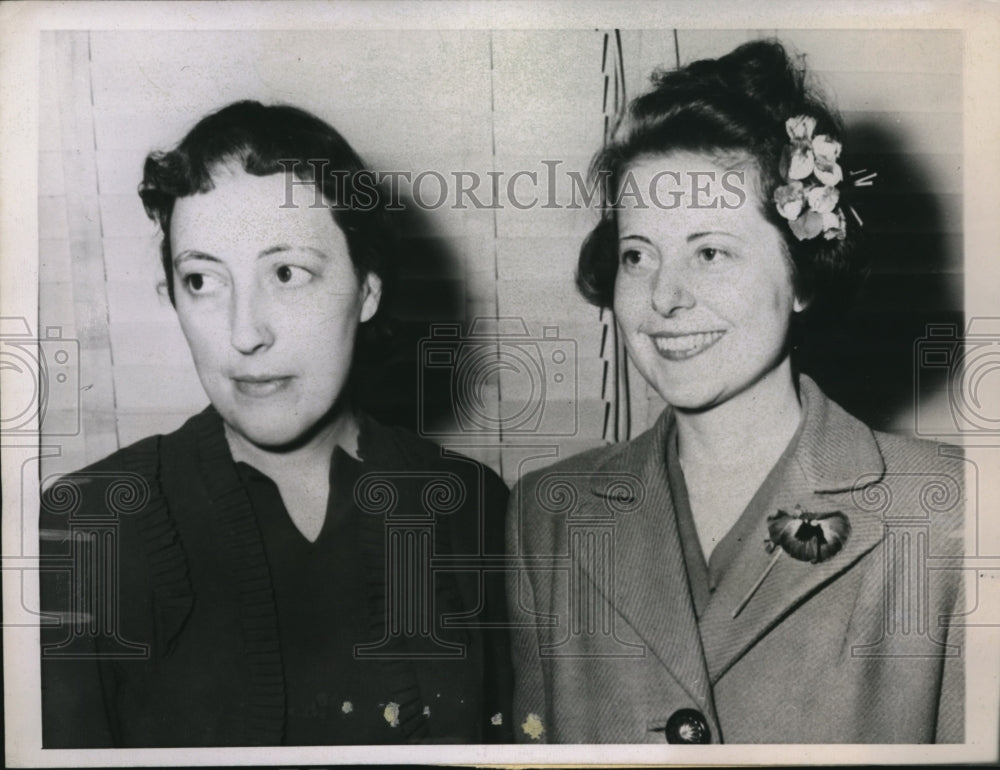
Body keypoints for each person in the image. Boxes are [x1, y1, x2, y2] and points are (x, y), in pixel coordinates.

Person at [506, 41, 964, 744]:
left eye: (710, 251)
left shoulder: (948, 518)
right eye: (637, 255)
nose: (663, 296)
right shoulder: (549, 515)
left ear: (805, 274)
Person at [40, 100, 512, 747]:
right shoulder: (89, 527)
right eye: (203, 280)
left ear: (367, 290)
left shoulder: (474, 510)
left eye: (287, 273)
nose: (244, 334)